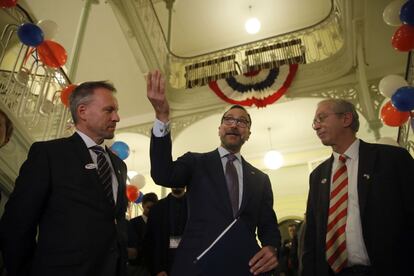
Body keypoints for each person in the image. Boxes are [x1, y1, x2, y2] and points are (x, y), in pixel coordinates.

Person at [146, 70, 281, 276]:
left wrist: (271, 247)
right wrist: (162, 117)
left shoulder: (260, 179)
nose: (234, 125)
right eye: (228, 120)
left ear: (248, 134)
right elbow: (163, 175)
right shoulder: (195, 162)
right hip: (198, 264)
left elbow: (267, 223)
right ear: (219, 129)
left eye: (242, 122)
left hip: (244, 265)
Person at [0, 81, 129, 276]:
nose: (117, 117)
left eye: (116, 111)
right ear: (82, 111)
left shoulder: (119, 166)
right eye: (109, 110)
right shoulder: (49, 154)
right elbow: (18, 222)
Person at [302, 99, 414, 276]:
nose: (316, 126)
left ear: (346, 119)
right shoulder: (317, 176)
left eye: (322, 118)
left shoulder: (392, 159)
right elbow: (311, 236)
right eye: (315, 122)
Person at [145, 187, 188, 276]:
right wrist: (158, 269)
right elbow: (150, 241)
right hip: (164, 268)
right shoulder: (157, 208)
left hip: (189, 264)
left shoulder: (196, 206)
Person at [127, 192, 158, 276]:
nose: (151, 210)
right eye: (148, 207)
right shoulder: (133, 223)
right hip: (138, 265)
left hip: (154, 266)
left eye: (153, 208)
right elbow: (133, 245)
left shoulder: (159, 223)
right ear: (143, 205)